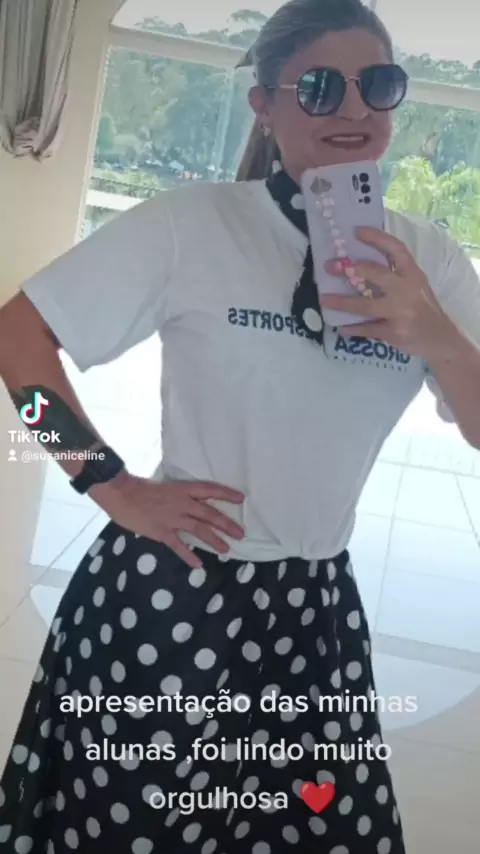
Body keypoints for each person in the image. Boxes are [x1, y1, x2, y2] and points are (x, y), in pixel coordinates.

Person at [0, 0, 480, 852]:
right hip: (168, 594)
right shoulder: (193, 224)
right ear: (265, 105)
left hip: (316, 606)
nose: (355, 109)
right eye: (321, 87)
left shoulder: (430, 259)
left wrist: (434, 332)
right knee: (135, 827)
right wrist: (103, 481)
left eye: (378, 84)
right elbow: (14, 338)